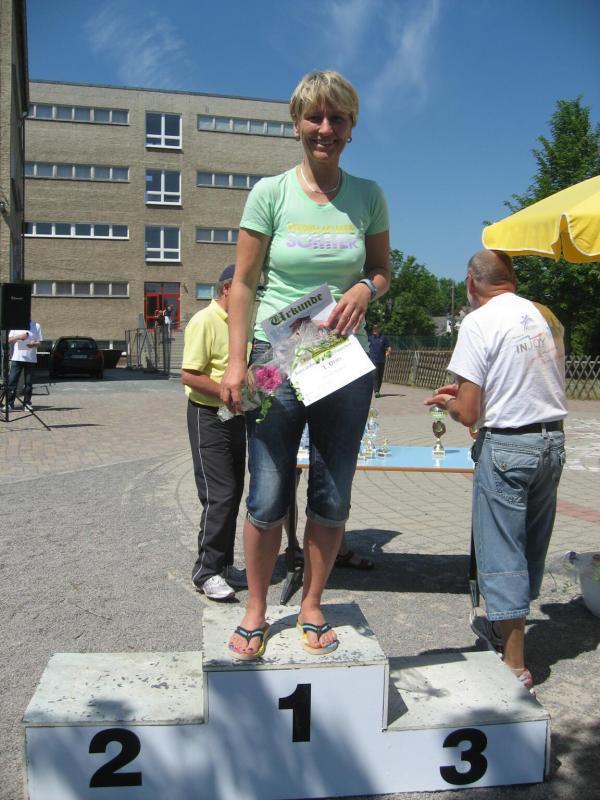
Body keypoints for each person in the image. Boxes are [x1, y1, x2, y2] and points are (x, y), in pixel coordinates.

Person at [221, 70, 390, 659]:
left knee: (333, 490)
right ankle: (256, 608)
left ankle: (313, 603)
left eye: (337, 118)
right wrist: (236, 363)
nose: (325, 128)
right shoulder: (270, 193)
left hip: (341, 359)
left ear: (351, 127)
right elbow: (244, 283)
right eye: (314, 117)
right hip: (273, 358)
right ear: (296, 124)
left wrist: (366, 288)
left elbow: (382, 270)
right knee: (267, 490)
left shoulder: (368, 195)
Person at [425, 249, 566, 690]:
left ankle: (514, 664)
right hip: (551, 441)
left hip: (507, 447)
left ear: (471, 281)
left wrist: (449, 403)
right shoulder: (540, 315)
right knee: (530, 547)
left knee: (502, 551)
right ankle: (510, 626)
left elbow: (468, 413)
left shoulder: (477, 321)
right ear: (513, 279)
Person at [181, 264, 247, 601]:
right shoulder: (204, 321)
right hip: (208, 416)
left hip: (235, 416)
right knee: (218, 494)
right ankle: (205, 572)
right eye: (247, 288)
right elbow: (190, 375)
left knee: (233, 494)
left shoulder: (240, 323)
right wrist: (228, 392)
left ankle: (223, 565)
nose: (252, 296)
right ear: (226, 288)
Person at [8, 320, 43, 411]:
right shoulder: (15, 324)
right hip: (17, 358)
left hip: (30, 359)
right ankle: (9, 404)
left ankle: (26, 404)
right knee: (12, 381)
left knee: (28, 383)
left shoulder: (36, 325)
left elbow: (39, 343)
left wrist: (34, 344)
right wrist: (19, 337)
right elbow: (9, 340)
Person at [368, 325, 391, 397]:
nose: (374, 330)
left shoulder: (383, 338)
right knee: (375, 375)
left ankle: (378, 391)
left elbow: (388, 346)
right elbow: (365, 346)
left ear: (379, 329)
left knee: (380, 376)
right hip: (373, 359)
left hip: (382, 360)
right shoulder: (370, 338)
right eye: (374, 329)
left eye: (376, 329)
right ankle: (376, 391)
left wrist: (388, 351)